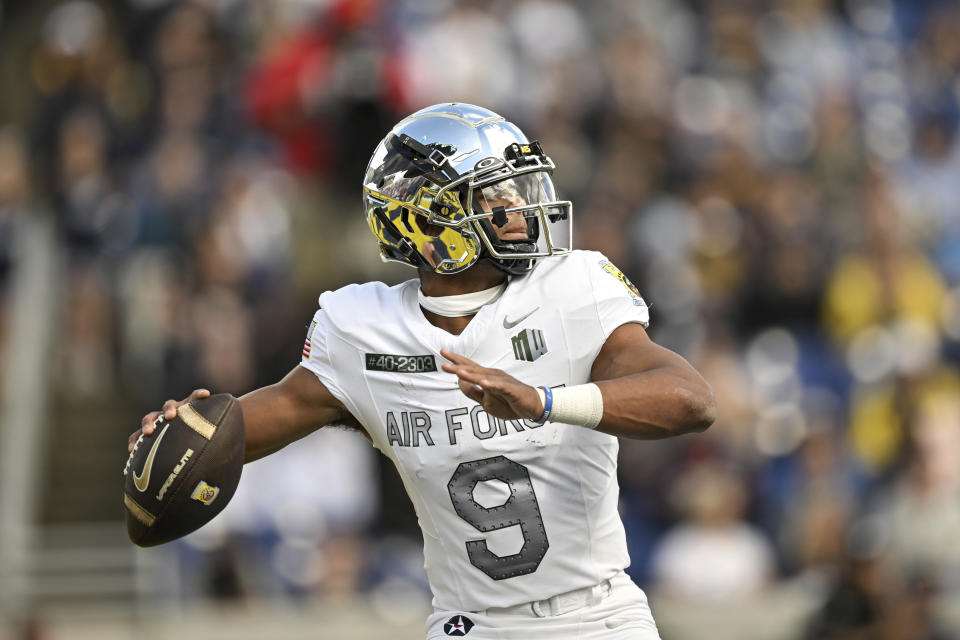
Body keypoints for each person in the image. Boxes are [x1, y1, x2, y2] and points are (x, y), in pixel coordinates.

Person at [129, 103, 715, 638]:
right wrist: (183, 431)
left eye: (518, 189)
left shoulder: (570, 286)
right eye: (493, 195)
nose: (518, 210)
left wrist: (545, 401)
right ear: (428, 219)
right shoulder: (362, 328)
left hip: (596, 618)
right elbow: (246, 426)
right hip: (468, 625)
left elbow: (690, 400)